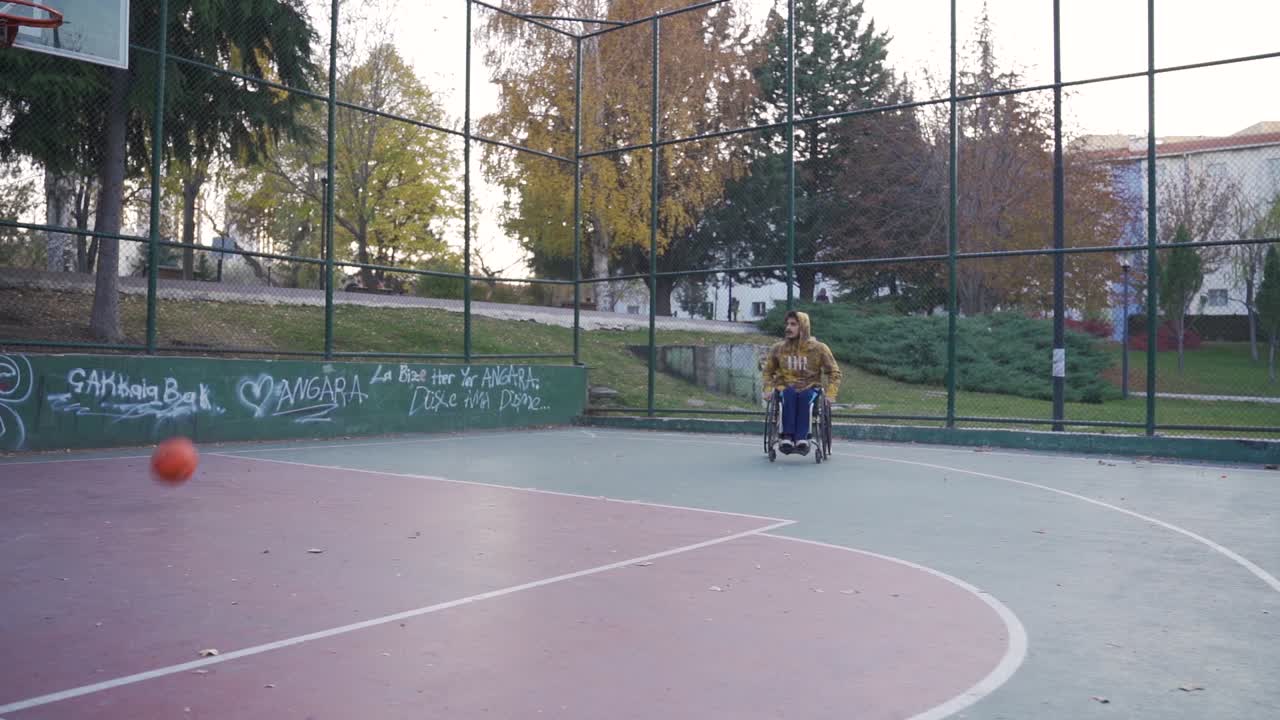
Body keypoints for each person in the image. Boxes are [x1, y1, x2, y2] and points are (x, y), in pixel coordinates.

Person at [761, 310, 841, 454]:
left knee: (805, 396)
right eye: (787, 324)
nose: (788, 328)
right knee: (789, 394)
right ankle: (787, 437)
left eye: (793, 324)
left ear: (803, 327)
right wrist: (767, 389)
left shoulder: (818, 348)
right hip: (785, 387)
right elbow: (767, 372)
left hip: (810, 387)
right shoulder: (778, 349)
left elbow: (834, 372)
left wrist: (831, 393)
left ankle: (802, 438)